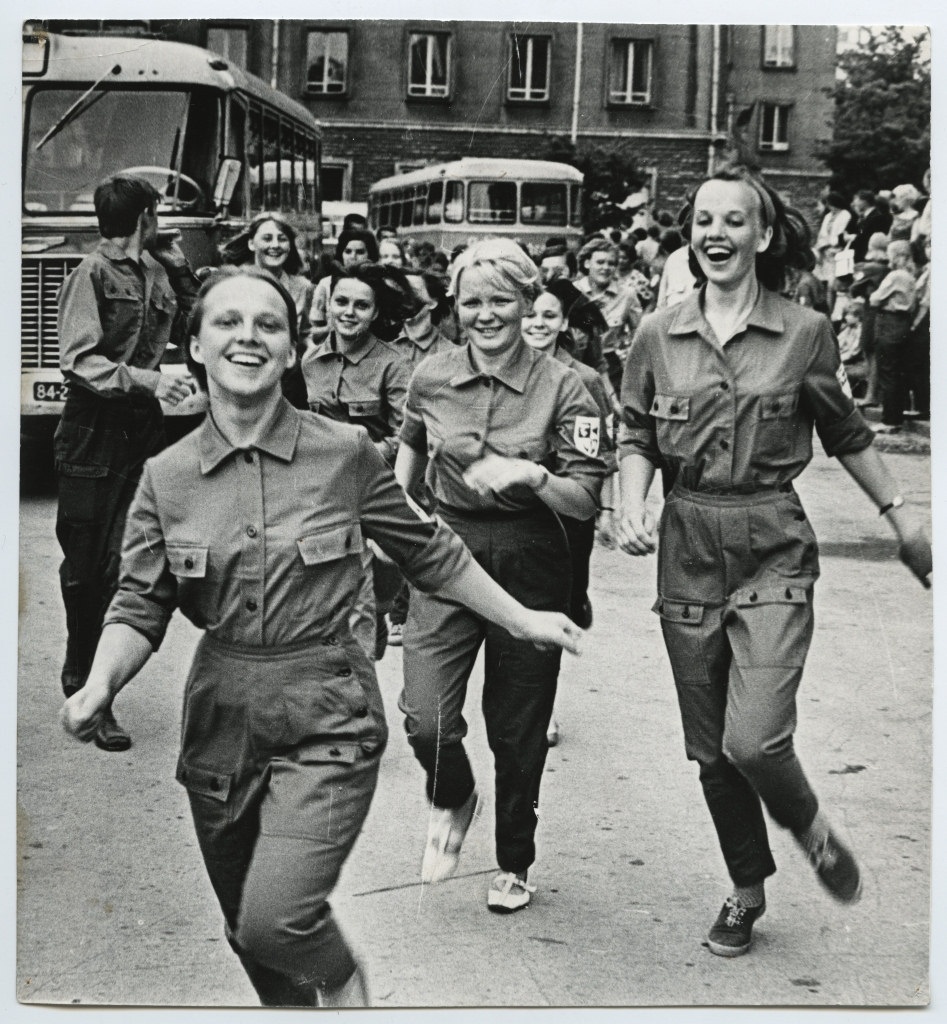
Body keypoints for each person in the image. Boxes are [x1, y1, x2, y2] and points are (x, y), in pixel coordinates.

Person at [60, 265, 584, 1008]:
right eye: (226, 323)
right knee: (249, 932)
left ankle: (347, 997)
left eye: (268, 325)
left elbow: (429, 550)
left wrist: (521, 618)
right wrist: (99, 685)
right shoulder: (165, 478)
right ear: (196, 349)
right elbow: (140, 603)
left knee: (278, 919)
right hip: (220, 722)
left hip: (326, 712)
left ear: (290, 350)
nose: (248, 337)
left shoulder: (344, 454)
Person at [617, 165, 931, 960]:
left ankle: (808, 824)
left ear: (762, 235)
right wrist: (632, 500)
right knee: (708, 750)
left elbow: (847, 432)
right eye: (701, 221)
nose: (714, 235)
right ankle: (745, 888)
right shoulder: (658, 333)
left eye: (732, 221)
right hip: (687, 543)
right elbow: (633, 433)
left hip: (771, 544)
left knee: (752, 740)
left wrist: (900, 517)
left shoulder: (803, 331)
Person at [394, 238, 606, 913]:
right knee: (424, 715)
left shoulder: (567, 385)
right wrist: (401, 514)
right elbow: (409, 448)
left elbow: (585, 499)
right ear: (454, 306)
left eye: (500, 301)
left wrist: (532, 473)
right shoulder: (430, 374)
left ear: (526, 301)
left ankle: (513, 859)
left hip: (530, 556)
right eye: (471, 302)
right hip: (447, 549)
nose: (485, 315)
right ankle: (453, 796)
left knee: (517, 728)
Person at [54, 174, 199, 752]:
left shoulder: (158, 271)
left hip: (140, 433)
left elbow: (192, 320)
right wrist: (149, 381)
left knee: (124, 565)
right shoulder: (89, 274)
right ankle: (76, 669)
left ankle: (98, 692)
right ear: (144, 216)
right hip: (92, 434)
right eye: (156, 214)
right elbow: (78, 360)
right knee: (86, 566)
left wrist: (180, 265)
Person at [301, 262, 415, 660]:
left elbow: (410, 437)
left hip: (373, 491)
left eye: (361, 305)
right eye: (341, 302)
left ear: (376, 313)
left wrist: (364, 448)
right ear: (328, 304)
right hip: (320, 494)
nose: (349, 312)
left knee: (368, 590)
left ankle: (362, 661)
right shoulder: (310, 360)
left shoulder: (394, 363)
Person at [522, 280, 617, 746]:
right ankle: (534, 707)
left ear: (564, 324)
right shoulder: (503, 372)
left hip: (567, 514)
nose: (537, 324)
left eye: (547, 316)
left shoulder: (585, 379)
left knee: (558, 608)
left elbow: (599, 452)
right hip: (517, 516)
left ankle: (544, 702)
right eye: (529, 314)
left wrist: (609, 510)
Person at [222, 213, 314, 407]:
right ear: (251, 243)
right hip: (241, 379)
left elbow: (307, 334)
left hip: (288, 384)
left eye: (282, 239)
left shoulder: (303, 287)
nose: (275, 245)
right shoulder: (230, 283)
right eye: (267, 238)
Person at [868, 239, 917, 433]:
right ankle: (896, 416)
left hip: (890, 322)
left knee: (888, 372)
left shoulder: (895, 275)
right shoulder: (911, 275)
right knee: (897, 371)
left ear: (897, 256)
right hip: (904, 323)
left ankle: (890, 420)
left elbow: (875, 298)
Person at [310, 229, 380, 343]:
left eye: (360, 252)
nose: (353, 256)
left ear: (370, 254)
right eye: (348, 251)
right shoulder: (326, 284)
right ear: (341, 254)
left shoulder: (379, 284)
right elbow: (314, 331)